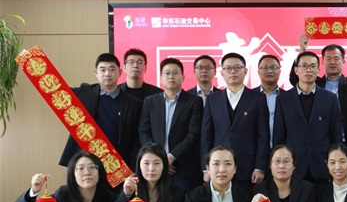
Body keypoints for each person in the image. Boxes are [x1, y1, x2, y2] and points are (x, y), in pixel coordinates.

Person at [59, 53, 142, 170]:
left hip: (116, 166)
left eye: (112, 69)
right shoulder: (84, 92)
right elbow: (57, 91)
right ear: (96, 73)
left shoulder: (133, 104)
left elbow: (136, 140)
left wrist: (132, 168)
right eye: (102, 70)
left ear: (119, 72)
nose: (107, 74)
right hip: (86, 162)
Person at [201, 52, 270, 189]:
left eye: (237, 67)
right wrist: (205, 168)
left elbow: (263, 135)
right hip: (219, 168)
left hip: (248, 167)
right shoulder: (212, 99)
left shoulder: (258, 98)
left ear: (245, 71)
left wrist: (260, 167)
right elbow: (206, 136)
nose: (233, 71)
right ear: (222, 73)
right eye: (228, 68)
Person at [274, 52, 342, 185]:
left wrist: (334, 163)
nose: (308, 70)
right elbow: (279, 136)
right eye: (304, 66)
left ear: (318, 70)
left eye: (312, 66)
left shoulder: (330, 98)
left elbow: (336, 134)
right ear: (296, 70)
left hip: (322, 165)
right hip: (294, 165)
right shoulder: (283, 99)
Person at [139, 57, 203, 192]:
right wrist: (159, 158)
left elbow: (193, 134)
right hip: (154, 167)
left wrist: (171, 157)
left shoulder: (194, 101)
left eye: (175, 73)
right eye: (167, 73)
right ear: (161, 78)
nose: (171, 76)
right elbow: (144, 131)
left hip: (183, 167)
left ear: (183, 77)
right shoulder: (150, 101)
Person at [290, 35, 347, 132]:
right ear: (322, 62)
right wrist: (302, 52)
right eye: (328, 59)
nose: (332, 62)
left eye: (336, 58)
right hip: (319, 135)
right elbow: (295, 79)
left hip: (345, 135)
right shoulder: (315, 83)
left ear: (343, 61)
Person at [253, 54, 282, 146]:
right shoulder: (249, 97)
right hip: (255, 148)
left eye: (273, 67)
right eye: (265, 67)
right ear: (258, 72)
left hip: (282, 149)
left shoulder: (288, 97)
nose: (269, 71)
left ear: (279, 71)